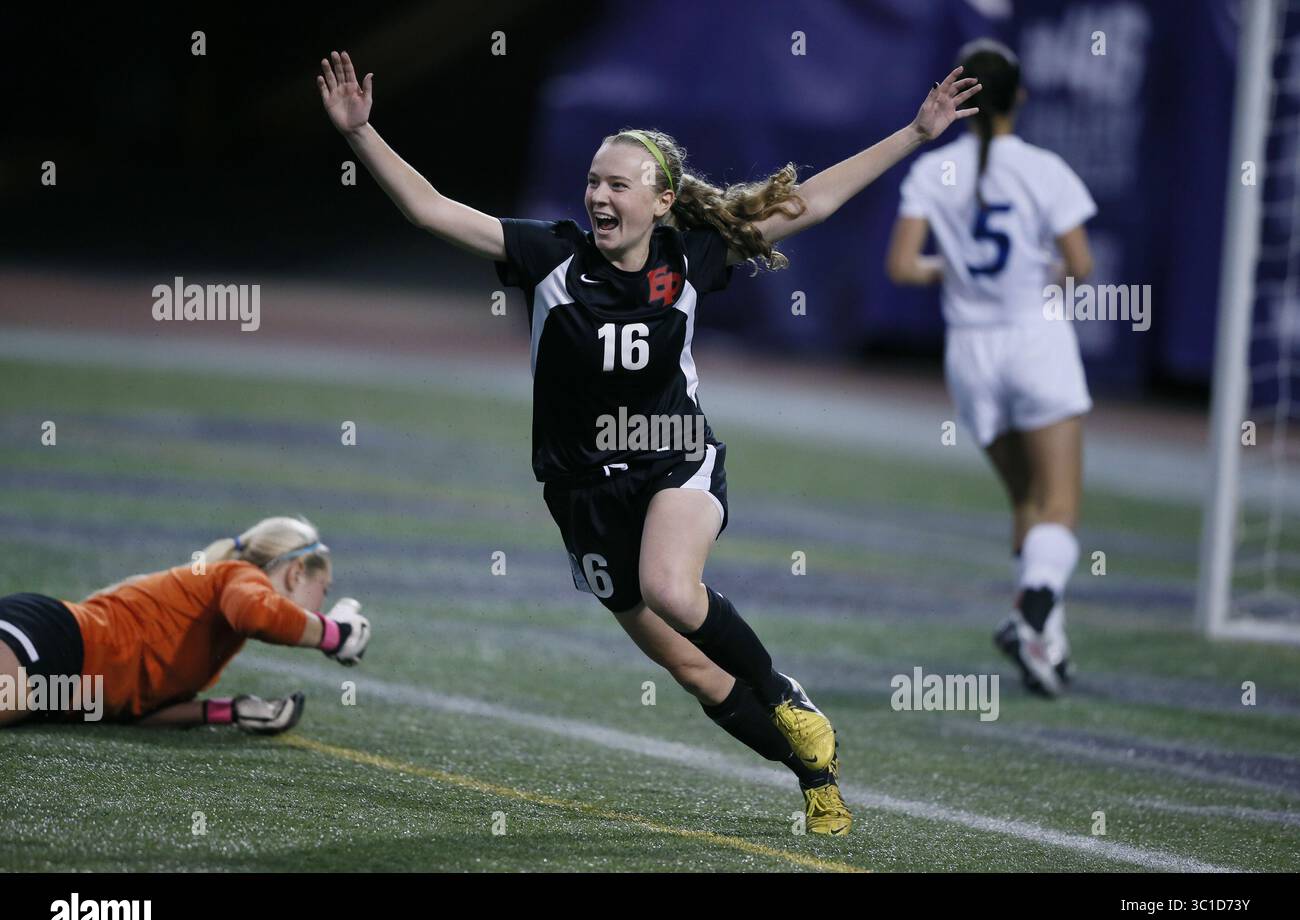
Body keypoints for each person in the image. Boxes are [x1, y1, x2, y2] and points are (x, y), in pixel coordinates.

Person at [318, 49, 980, 831]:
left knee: (673, 586)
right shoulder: (552, 255)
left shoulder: (691, 257)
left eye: (617, 184)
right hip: (581, 492)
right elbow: (431, 208)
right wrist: (362, 134)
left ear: (662, 200)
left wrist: (913, 131)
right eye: (593, 181)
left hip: (674, 453)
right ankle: (815, 771)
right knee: (695, 669)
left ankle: (782, 693)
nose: (598, 194)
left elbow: (812, 202)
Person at [886, 39, 1096, 696]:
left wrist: (952, 268)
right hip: (1034, 339)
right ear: (1021, 97)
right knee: (1057, 503)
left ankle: (1045, 644)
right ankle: (1031, 612)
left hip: (971, 352)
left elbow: (901, 266)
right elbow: (1082, 265)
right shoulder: (1044, 168)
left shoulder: (932, 172)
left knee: (1025, 501)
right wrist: (1037, 276)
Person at [0, 516, 370, 731]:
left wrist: (231, 711)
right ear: (296, 573)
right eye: (325, 590)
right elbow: (260, 616)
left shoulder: (218, 637)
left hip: (64, 688)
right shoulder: (238, 576)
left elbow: (143, 711)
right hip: (56, 639)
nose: (321, 605)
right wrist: (334, 633)